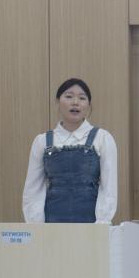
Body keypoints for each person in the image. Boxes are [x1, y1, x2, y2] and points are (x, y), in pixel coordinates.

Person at [22, 78, 118, 223]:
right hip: (52, 225)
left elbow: (109, 189)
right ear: (58, 101)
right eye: (69, 96)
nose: (75, 102)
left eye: (82, 98)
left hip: (92, 225)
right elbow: (32, 190)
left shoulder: (103, 138)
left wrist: (101, 225)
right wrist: (36, 227)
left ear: (88, 105)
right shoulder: (42, 141)